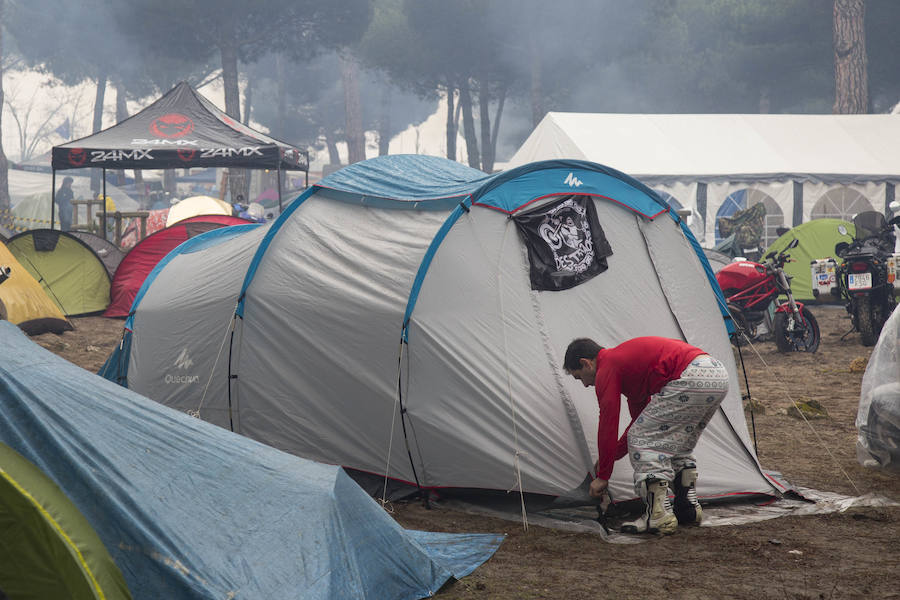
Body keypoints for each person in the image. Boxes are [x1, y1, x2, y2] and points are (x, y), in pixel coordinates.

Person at [563, 336, 730, 534]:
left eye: (579, 377)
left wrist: (603, 476)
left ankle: (658, 516)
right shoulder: (628, 370)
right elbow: (639, 422)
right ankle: (688, 509)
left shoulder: (607, 367)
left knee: (643, 441)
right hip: (715, 372)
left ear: (586, 363)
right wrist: (612, 456)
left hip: (690, 375)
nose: (584, 385)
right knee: (678, 442)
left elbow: (608, 423)